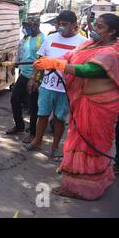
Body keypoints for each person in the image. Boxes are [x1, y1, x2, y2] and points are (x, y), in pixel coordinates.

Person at [33, 13, 119, 200]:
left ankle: (83, 187)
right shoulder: (90, 44)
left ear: (113, 31)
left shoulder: (113, 52)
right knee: (77, 139)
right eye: (95, 25)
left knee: (91, 145)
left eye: (101, 27)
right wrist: (53, 62)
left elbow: (90, 70)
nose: (95, 29)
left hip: (99, 107)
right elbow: (71, 55)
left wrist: (57, 64)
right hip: (84, 103)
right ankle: (80, 178)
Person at [25, 11, 87, 160]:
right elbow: (40, 59)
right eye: (58, 23)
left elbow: (84, 67)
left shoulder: (82, 42)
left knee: (59, 119)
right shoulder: (51, 38)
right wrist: (33, 77)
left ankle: (55, 147)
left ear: (74, 25)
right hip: (47, 85)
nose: (60, 27)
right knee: (42, 115)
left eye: (64, 24)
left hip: (66, 89)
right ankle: (37, 141)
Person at [6, 17, 46, 144]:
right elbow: (22, 52)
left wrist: (37, 79)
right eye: (26, 26)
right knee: (14, 99)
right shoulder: (27, 38)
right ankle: (19, 126)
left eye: (29, 26)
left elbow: (43, 60)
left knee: (33, 106)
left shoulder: (43, 39)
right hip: (24, 74)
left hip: (35, 77)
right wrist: (14, 65)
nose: (26, 29)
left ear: (36, 26)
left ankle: (33, 133)